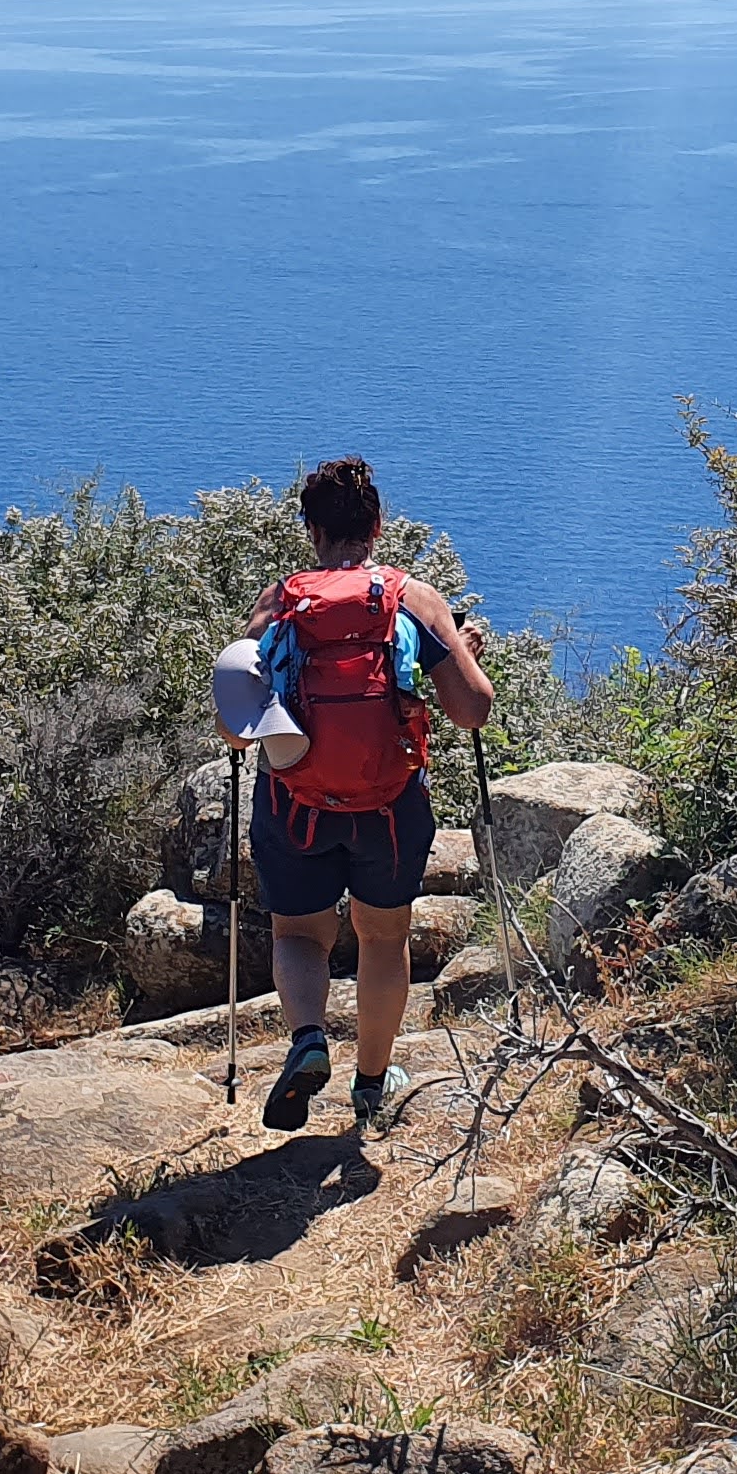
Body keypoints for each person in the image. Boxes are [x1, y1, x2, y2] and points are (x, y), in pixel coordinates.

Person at [231, 457, 496, 1132]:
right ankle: (371, 1085)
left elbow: (237, 724)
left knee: (298, 932)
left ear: (311, 530)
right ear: (377, 526)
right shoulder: (414, 598)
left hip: (295, 803)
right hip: (390, 805)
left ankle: (308, 1040)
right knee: (384, 938)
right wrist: (464, 651)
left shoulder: (281, 601)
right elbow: (472, 711)